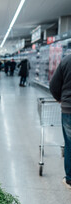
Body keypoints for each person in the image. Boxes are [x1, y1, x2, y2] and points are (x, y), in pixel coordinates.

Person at [49, 54, 71, 189]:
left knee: (69, 144)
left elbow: (54, 85)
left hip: (69, 109)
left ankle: (69, 179)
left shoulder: (67, 60)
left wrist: (60, 99)